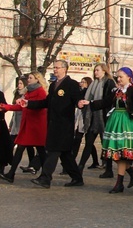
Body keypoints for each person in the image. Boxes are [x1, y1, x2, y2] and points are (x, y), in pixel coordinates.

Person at [80, 67, 133, 193]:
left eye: (121, 77)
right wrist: (89, 103)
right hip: (115, 122)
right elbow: (105, 102)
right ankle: (131, 172)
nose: (118, 79)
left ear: (129, 77)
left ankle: (120, 183)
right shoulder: (116, 91)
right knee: (116, 154)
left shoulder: (132, 90)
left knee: (122, 154)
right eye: (117, 77)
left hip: (127, 122)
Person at [24, 61, 84, 189]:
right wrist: (29, 104)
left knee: (53, 151)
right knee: (65, 154)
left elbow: (77, 98)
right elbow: (46, 102)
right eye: (54, 67)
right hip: (53, 124)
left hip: (64, 125)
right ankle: (77, 178)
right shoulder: (53, 86)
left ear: (64, 69)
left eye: (57, 68)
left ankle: (45, 178)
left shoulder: (71, 84)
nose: (55, 70)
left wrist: (79, 103)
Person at [0, 72, 48, 183]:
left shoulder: (40, 92)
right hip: (27, 125)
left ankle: (45, 175)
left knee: (41, 151)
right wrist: (6, 107)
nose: (28, 80)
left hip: (36, 126)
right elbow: (20, 107)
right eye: (28, 78)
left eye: (30, 78)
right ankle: (11, 174)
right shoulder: (28, 91)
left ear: (37, 79)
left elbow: (41, 106)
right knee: (20, 149)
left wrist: (27, 103)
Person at [77, 62, 116, 177]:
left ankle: (109, 169)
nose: (95, 72)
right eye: (95, 70)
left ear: (104, 71)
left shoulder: (109, 82)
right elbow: (87, 96)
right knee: (88, 142)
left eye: (98, 70)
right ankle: (80, 167)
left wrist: (92, 103)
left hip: (104, 117)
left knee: (106, 144)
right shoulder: (93, 84)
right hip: (92, 117)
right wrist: (83, 102)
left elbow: (109, 100)